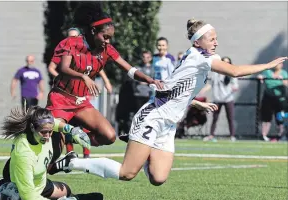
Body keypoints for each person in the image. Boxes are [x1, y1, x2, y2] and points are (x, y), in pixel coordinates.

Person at [48, 18, 287, 186]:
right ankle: (74, 162)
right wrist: (267, 64)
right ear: (197, 42)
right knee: (126, 173)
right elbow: (234, 72)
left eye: (216, 38)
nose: (216, 42)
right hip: (154, 116)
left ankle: (141, 145)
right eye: (211, 39)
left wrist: (194, 103)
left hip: (169, 123)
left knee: (158, 178)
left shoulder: (201, 57)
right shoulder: (200, 59)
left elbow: (178, 88)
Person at [46, 2, 162, 162]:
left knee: (109, 136)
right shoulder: (72, 43)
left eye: (110, 38)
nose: (108, 41)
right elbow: (63, 68)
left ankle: (75, 137)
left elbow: (129, 69)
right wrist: (83, 77)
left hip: (81, 102)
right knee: (55, 153)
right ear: (93, 31)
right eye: (105, 37)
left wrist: (150, 80)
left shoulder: (107, 50)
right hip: (60, 99)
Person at [0, 106, 103, 200]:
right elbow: (29, 196)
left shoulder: (43, 127)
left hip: (38, 179)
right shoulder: (24, 153)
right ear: (32, 128)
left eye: (50, 131)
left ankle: (73, 197)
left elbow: (53, 123)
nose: (48, 135)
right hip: (19, 178)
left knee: (66, 189)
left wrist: (72, 130)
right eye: (44, 132)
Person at [48, 27, 112, 158]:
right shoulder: (65, 50)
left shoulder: (88, 51)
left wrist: (106, 81)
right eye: (70, 37)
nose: (73, 39)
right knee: (58, 138)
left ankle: (85, 152)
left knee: (101, 133)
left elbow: (97, 67)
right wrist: (62, 78)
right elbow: (54, 67)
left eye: (75, 36)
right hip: (63, 97)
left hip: (81, 98)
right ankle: (67, 154)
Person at [202, 56, 239, 142]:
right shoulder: (215, 73)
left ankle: (232, 136)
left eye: (227, 62)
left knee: (230, 118)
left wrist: (234, 88)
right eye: (224, 62)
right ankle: (211, 135)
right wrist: (204, 90)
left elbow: (235, 85)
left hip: (228, 99)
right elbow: (210, 84)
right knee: (215, 118)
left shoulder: (231, 73)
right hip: (217, 99)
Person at [257, 62, 288, 141]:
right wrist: (260, 77)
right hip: (268, 98)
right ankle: (264, 136)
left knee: (280, 117)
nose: (277, 65)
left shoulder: (284, 73)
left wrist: (281, 80)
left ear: (281, 65)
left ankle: (281, 135)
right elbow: (261, 76)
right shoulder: (268, 72)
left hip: (280, 99)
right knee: (266, 118)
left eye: (279, 64)